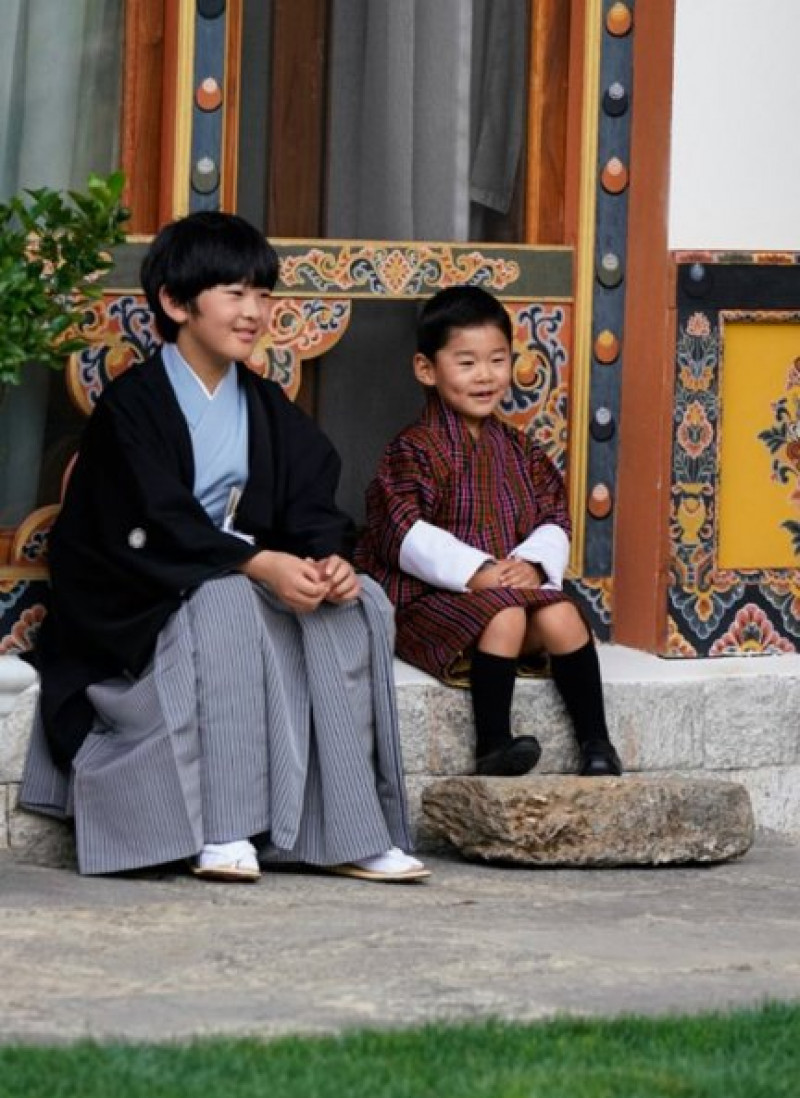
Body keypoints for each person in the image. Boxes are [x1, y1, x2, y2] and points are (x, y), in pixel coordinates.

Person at [20, 210, 429, 883]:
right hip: (144, 604)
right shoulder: (134, 405)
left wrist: (327, 560)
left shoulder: (266, 405)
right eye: (234, 294)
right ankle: (223, 827)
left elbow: (312, 500)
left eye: (262, 295)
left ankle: (352, 830)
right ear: (176, 303)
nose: (254, 312)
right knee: (224, 599)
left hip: (240, 582)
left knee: (358, 605)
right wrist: (254, 562)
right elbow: (149, 519)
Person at [356, 285, 622, 778]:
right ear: (426, 369)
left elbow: (553, 516)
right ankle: (493, 743)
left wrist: (531, 565)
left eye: (497, 360)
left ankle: (597, 743)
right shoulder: (412, 450)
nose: (485, 376)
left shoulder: (520, 449)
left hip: (508, 592)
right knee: (506, 617)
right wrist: (477, 571)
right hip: (433, 597)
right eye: (467, 362)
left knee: (563, 615)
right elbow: (400, 530)